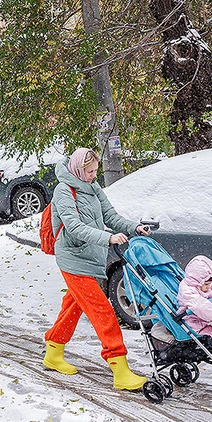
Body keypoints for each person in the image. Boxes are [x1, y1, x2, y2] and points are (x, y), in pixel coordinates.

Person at [41, 147, 152, 390]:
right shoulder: (64, 190)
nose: (93, 175)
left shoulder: (93, 187)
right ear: (78, 169)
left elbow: (110, 216)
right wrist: (107, 238)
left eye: (94, 171)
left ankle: (53, 351)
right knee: (102, 311)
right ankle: (120, 369)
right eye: (89, 171)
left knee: (73, 305)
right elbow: (73, 226)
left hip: (91, 257)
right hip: (72, 259)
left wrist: (134, 227)